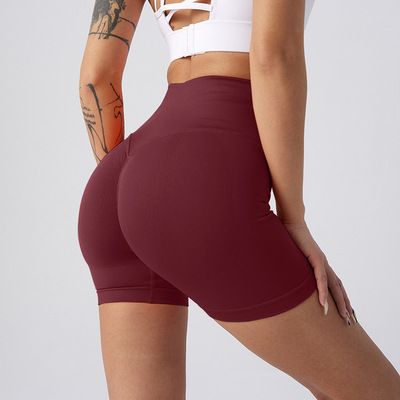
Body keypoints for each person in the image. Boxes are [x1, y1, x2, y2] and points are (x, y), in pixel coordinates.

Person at [77, 0, 400, 398]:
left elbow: (96, 77)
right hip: (203, 171)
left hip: (115, 182)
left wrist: (135, 197)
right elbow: (274, 56)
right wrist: (293, 218)